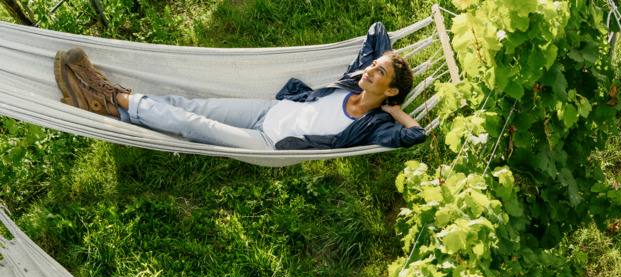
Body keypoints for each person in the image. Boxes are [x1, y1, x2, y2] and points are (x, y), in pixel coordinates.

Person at [53, 22, 425, 152]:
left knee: (193, 126)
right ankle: (111, 105)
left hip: (270, 143)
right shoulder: (351, 83)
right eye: (372, 66)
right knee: (189, 105)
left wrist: (395, 111)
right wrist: (385, 63)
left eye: (379, 74)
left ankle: (110, 95)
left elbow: (415, 136)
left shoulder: (375, 126)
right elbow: (377, 31)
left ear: (391, 91)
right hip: (270, 110)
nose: (369, 72)